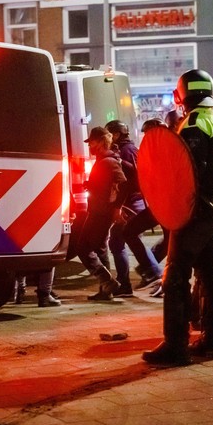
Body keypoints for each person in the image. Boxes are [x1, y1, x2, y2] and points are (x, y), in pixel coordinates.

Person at [142, 69, 213, 365]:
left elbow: (184, 175)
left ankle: (176, 346)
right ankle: (212, 341)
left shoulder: (191, 125)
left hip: (193, 211)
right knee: (209, 276)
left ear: (182, 95)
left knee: (176, 278)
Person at [77, 126, 126, 301]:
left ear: (99, 142)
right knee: (100, 249)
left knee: (83, 247)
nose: (89, 146)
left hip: (101, 212)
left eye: (91, 142)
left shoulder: (109, 161)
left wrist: (116, 208)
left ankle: (107, 281)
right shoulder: (102, 160)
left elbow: (123, 184)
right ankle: (106, 291)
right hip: (98, 209)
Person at [123, 118, 169, 295]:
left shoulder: (168, 150)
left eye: (149, 133)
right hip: (158, 204)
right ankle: (151, 271)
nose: (146, 137)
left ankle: (156, 275)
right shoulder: (150, 151)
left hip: (169, 205)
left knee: (171, 243)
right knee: (129, 231)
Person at [105, 119, 147, 297]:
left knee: (118, 241)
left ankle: (142, 275)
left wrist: (118, 205)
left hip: (130, 203)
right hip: (133, 201)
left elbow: (132, 178)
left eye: (109, 135)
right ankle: (143, 274)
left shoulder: (125, 151)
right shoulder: (130, 149)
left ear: (115, 134)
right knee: (123, 240)